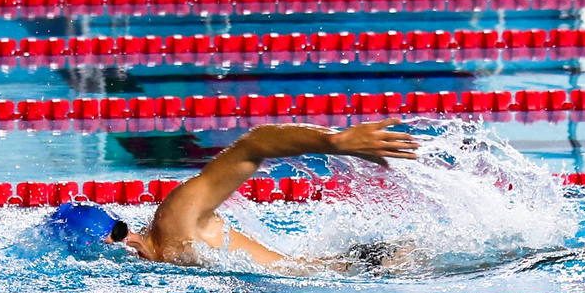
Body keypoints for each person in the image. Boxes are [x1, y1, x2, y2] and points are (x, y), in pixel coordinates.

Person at [42, 120, 419, 268]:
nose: (126, 247)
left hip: (360, 269)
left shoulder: (175, 221)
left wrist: (334, 142)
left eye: (119, 235)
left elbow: (254, 145)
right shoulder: (159, 258)